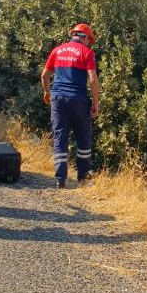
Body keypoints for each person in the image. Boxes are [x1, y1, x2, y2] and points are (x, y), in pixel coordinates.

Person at [40, 23, 100, 188]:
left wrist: (47, 93)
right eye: (90, 40)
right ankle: (83, 177)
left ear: (73, 34)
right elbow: (93, 79)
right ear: (86, 37)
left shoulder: (57, 50)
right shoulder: (87, 52)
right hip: (78, 98)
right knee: (83, 137)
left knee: (60, 137)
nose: (89, 44)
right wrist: (96, 102)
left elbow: (45, 75)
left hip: (58, 98)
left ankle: (60, 179)